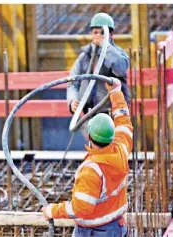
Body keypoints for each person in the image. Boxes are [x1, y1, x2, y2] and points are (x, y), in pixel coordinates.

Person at [42, 77, 133, 237]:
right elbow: (124, 121)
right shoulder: (121, 148)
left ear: (89, 137)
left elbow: (81, 207)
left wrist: (53, 210)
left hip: (95, 231)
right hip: (117, 227)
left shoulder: (91, 170)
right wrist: (116, 92)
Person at [67, 12, 130, 137]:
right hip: (90, 115)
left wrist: (105, 48)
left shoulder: (118, 54)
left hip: (113, 115)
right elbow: (73, 82)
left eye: (102, 33)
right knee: (95, 150)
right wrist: (72, 101)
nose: (98, 36)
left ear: (111, 35)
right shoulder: (84, 57)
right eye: (95, 32)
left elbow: (121, 68)